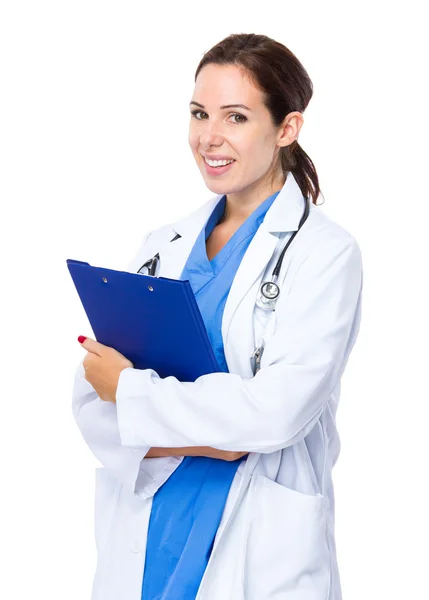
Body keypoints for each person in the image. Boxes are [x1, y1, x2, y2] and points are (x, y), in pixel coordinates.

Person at [72, 32, 363, 600]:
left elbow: (275, 414)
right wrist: (215, 438)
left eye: (236, 117)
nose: (209, 137)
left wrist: (136, 400)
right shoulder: (164, 245)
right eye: (200, 113)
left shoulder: (324, 255)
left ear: (286, 128)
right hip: (152, 533)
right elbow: (90, 400)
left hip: (258, 547)